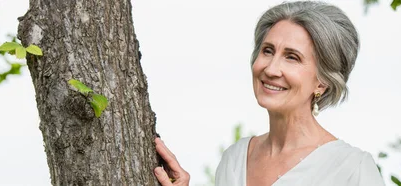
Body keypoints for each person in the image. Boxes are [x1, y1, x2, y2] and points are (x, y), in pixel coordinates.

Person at [153, 1, 385, 186]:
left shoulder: (352, 169)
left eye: (292, 57)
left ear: (322, 82)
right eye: (267, 51)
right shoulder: (234, 159)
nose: (271, 69)